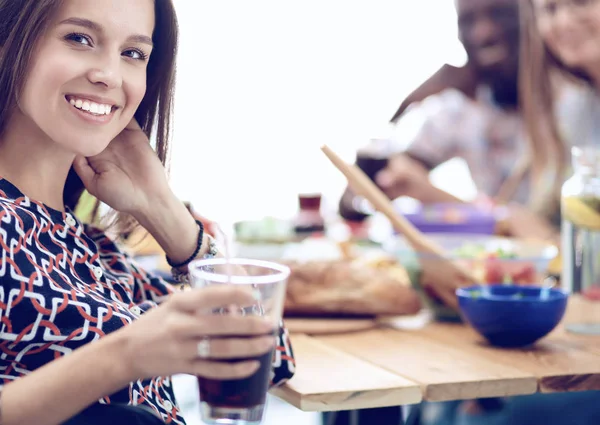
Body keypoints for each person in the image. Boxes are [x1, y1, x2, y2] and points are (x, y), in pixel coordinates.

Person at [0, 1, 294, 424]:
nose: (110, 75)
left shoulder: (92, 247)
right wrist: (123, 356)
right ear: (9, 39)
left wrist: (165, 212)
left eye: (133, 53)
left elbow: (268, 362)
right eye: (79, 38)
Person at [339, 0, 558, 242]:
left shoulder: (576, 98)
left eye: (500, 14)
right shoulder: (460, 107)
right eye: (468, 21)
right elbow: (354, 199)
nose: (484, 32)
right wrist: (407, 106)